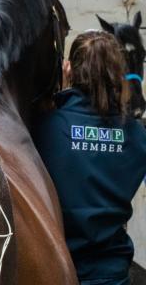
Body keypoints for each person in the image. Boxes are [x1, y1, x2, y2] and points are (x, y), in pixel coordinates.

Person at [33, 31, 146, 285]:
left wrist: (58, 94)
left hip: (57, 269)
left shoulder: (44, 127)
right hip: (112, 272)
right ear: (118, 73)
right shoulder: (137, 135)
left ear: (69, 69)